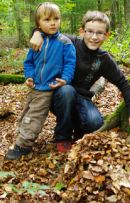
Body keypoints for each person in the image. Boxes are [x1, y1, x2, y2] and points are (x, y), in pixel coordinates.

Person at [29, 10, 130, 152]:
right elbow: (49, 31)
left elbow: (123, 82)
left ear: (107, 35)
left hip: (82, 97)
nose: (94, 37)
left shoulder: (104, 59)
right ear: (82, 31)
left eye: (100, 33)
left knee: (95, 123)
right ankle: (62, 136)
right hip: (57, 95)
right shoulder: (68, 42)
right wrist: (36, 32)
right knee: (67, 90)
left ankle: (77, 129)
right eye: (89, 31)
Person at [5, 2, 76, 160]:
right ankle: (21, 136)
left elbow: (70, 63)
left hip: (49, 87)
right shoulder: (36, 42)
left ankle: (23, 146)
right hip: (35, 86)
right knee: (26, 113)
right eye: (47, 19)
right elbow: (28, 62)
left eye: (56, 18)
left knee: (35, 116)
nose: (52, 23)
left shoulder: (65, 43)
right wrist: (29, 76)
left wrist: (65, 79)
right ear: (38, 24)